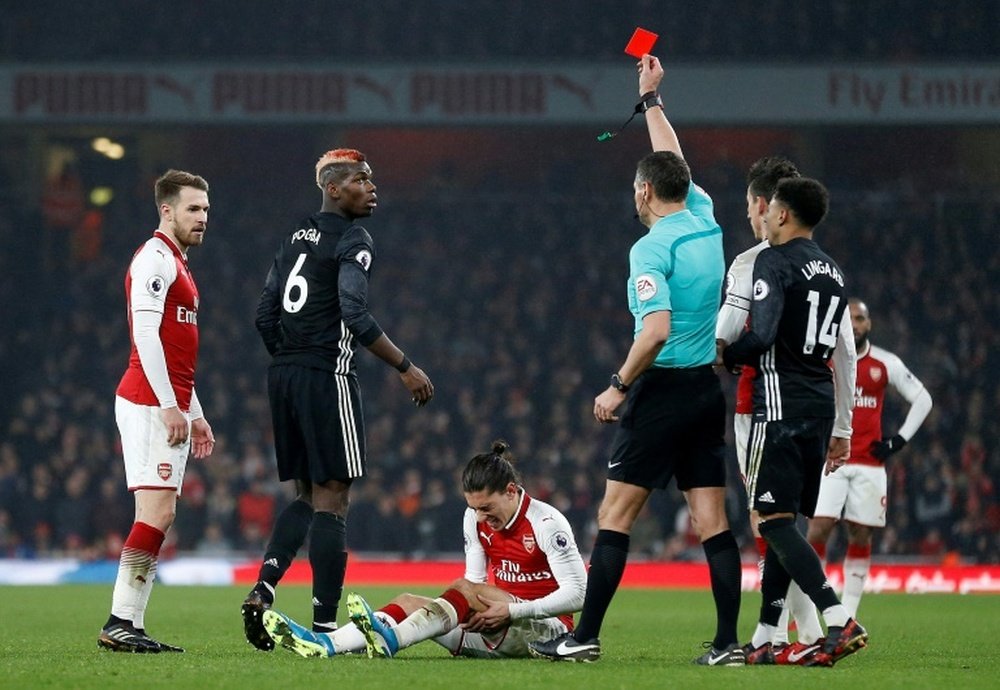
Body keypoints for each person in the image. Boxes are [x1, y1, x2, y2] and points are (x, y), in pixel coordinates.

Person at [530, 54, 743, 665]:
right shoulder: (707, 220)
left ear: (644, 191)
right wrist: (651, 101)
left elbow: (654, 331)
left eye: (636, 185)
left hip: (662, 390)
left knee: (614, 515)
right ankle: (727, 642)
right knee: (711, 520)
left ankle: (586, 635)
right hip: (706, 389)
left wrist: (617, 384)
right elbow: (675, 161)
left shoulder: (650, 249)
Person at [241, 148, 434, 651]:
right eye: (362, 180)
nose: (373, 187)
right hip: (327, 375)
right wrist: (405, 367)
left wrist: (291, 359)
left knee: (305, 496)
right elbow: (353, 308)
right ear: (333, 188)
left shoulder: (292, 237)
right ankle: (326, 626)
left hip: (283, 374)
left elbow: (265, 313)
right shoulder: (354, 238)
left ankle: (263, 587)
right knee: (334, 499)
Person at [259, 440, 586, 659]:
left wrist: (512, 611)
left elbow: (578, 595)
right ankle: (325, 644)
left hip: (544, 631)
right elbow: (473, 582)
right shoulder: (475, 518)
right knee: (407, 601)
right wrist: (478, 612)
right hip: (494, 627)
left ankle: (388, 639)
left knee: (460, 592)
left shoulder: (546, 523)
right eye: (474, 509)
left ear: (511, 491)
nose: (482, 517)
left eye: (487, 508)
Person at [722, 176, 867, 667]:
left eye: (768, 211)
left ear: (781, 214)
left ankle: (837, 617)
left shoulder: (772, 260)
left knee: (773, 522)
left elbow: (759, 334)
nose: (762, 219)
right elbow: (842, 351)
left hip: (777, 406)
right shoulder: (834, 271)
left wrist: (725, 354)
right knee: (786, 520)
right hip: (819, 406)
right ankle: (765, 634)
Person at [98, 169, 216, 653]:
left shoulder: (179, 263)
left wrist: (195, 410)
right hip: (148, 401)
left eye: (206, 209)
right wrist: (172, 407)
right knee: (157, 511)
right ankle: (120, 620)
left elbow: (178, 352)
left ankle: (129, 623)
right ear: (166, 210)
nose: (203, 217)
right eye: (193, 208)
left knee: (159, 513)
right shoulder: (155, 258)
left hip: (165, 400)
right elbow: (145, 336)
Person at [807, 298, 932, 616]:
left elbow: (922, 399)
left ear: (869, 324)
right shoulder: (827, 360)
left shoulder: (884, 363)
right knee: (818, 529)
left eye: (860, 318)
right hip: (832, 462)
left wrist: (898, 441)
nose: (855, 324)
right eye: (849, 319)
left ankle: (847, 614)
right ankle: (814, 607)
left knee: (860, 533)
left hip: (870, 465)